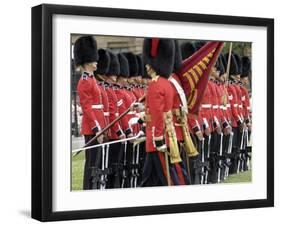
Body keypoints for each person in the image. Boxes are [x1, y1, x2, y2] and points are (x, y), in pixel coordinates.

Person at [141, 38, 182, 186]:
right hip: (162, 135)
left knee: (167, 177)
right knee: (149, 178)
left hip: (157, 138)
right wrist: (142, 117)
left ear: (154, 64)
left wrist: (157, 138)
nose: (146, 66)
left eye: (148, 63)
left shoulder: (156, 84)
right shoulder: (166, 83)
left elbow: (158, 114)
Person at [74, 36, 107, 190]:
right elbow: (87, 108)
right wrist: (96, 129)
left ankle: (93, 188)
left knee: (97, 163)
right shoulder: (84, 82)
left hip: (99, 125)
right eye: (93, 60)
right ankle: (88, 189)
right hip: (92, 128)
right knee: (92, 164)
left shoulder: (92, 79)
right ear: (87, 61)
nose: (96, 61)